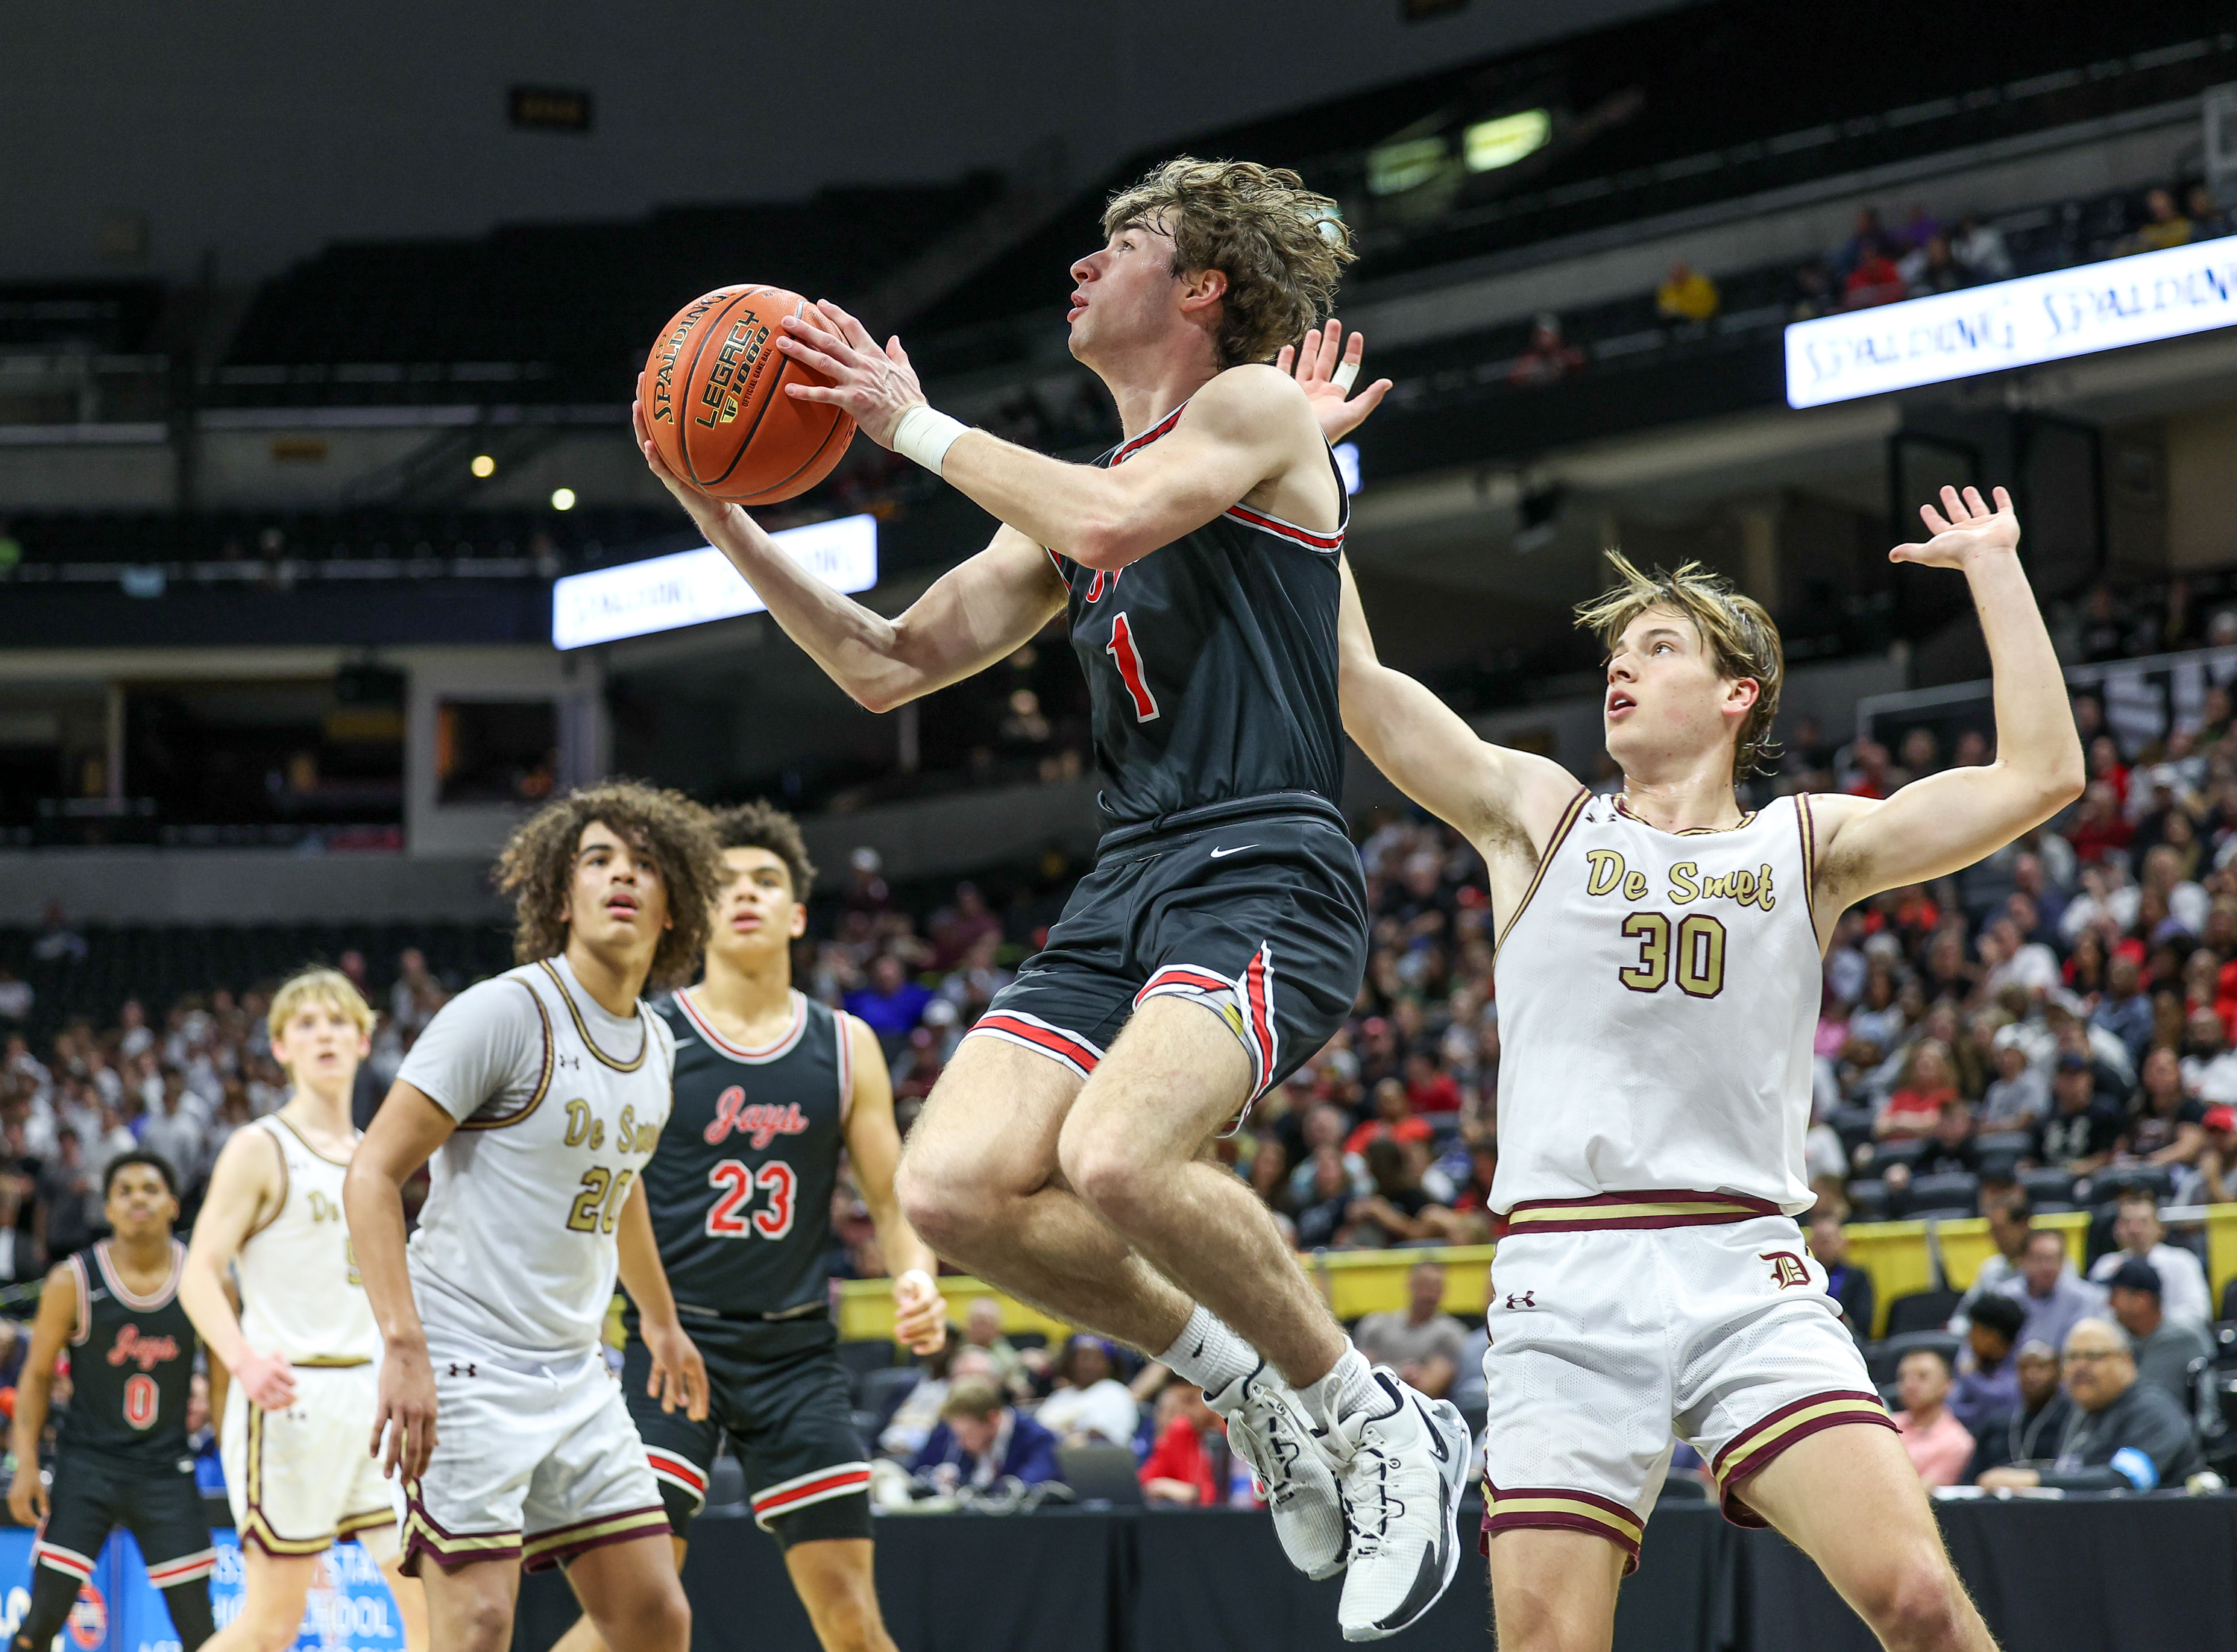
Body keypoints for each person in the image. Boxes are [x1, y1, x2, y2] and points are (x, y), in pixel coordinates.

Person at [634, 157, 1465, 1638]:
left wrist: (907, 422)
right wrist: (722, 516)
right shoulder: (1077, 497)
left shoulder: (1253, 414)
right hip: (1132, 873)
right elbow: (884, 660)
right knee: (954, 1189)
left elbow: (1104, 523)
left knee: (1119, 1158)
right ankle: (1251, 1390)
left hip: (1266, 857)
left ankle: (1386, 1422)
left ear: (1201, 286)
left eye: (1119, 243)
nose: (1080, 268)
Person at [1338, 466, 2080, 1649]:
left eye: (1658, 645)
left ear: (1740, 692)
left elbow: (2042, 777)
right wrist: (1298, 487)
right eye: (1616, 653)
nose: (1620, 668)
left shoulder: (1810, 841)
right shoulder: (1542, 815)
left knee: (1921, 1602)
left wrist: (1995, 571)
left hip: (1746, 1269)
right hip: (1566, 1277)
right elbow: (1363, 688)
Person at [548, 802, 944, 1652]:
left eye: (768, 881)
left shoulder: (845, 1044)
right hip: (668, 1345)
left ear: (798, 914)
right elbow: (604, 1192)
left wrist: (916, 1273)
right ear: (696, 910)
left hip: (795, 1353)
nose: (749, 895)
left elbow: (891, 1196)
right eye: (727, 883)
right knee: (635, 1618)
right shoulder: (649, 1033)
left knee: (852, 1619)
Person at [343, 783, 727, 1652]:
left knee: (653, 1617)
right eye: (599, 859)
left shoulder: (658, 1042)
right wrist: (404, 1345)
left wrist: (661, 1322)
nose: (621, 875)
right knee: (477, 1624)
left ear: (675, 908)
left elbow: (619, 1181)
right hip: (463, 1358)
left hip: (576, 1369)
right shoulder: (505, 1012)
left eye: (645, 864)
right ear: (563, 894)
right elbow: (371, 1172)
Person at [179, 969, 429, 1652]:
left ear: (364, 1038)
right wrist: (242, 1360)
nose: (325, 1034)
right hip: (291, 1395)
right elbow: (198, 1271)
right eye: (306, 1024)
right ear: (281, 1046)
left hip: (374, 1400)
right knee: (270, 1627)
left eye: (338, 1021)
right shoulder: (259, 1147)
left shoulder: (375, 1158)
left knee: (435, 1617)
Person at [6, 1155, 215, 1652]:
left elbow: (225, 1389)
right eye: (124, 1190)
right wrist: (27, 1464)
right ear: (109, 1208)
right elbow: (34, 1378)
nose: (137, 1197)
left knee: (203, 1634)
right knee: (40, 1625)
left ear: (171, 1205)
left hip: (166, 1470)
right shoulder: (72, 1281)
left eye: (149, 1187)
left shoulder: (203, 1281)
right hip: (87, 1467)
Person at [1978, 1319, 2203, 1492]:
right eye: (2072, 1357)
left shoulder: (2153, 1412)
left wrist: (2033, 1480)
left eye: (2093, 1356)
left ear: (2126, 1361)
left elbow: (2124, 1481)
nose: (2080, 1367)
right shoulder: (2081, 1413)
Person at [908, 1378, 1060, 1492]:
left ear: (992, 1419)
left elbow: (1023, 1490)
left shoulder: (1038, 1439)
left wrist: (966, 1490)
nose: (961, 1444)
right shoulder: (967, 1444)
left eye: (966, 1435)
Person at [2084, 1193, 2210, 1328]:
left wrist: (2149, 1325)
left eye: (2143, 1222)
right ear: (2116, 1230)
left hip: (2173, 1340)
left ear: (2160, 1228)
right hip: (2121, 1341)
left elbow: (2199, 1313)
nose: (2134, 1230)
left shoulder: (2182, 1261)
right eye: (2127, 1222)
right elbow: (2094, 1315)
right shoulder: (2105, 1266)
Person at [2103, 1258, 2212, 1410]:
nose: (2109, 1304)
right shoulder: (2112, 1339)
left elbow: (2209, 1399)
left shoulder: (2186, 1338)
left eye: (2115, 1295)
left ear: (2141, 1301)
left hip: (2176, 1429)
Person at [1353, 1261, 1465, 1399]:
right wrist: (1401, 1374)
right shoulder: (1375, 1325)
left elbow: (1430, 1386)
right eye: (1424, 1285)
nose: (1429, 1293)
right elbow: (1360, 1377)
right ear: (1410, 1284)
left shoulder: (1451, 1333)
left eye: (1436, 1287)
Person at [1966, 1340, 2069, 1481]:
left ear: (2058, 1372)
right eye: (2024, 1367)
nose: (2031, 1375)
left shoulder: (2072, 1418)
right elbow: (1971, 1478)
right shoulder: (1996, 1422)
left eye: (2041, 1367)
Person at [1995, 1229, 2104, 1358]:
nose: (2047, 1267)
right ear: (2024, 1260)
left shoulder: (2086, 1298)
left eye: (2054, 1259)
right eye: (2039, 1259)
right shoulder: (2004, 1298)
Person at [1036, 1335, 1142, 1446]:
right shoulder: (1060, 1395)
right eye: (1080, 1358)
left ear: (1109, 1364)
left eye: (1094, 1358)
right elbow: (1038, 1431)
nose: (1086, 1365)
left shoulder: (1115, 1392)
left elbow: (1107, 1437)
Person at [1948, 1195, 2033, 1333]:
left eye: (2000, 1230)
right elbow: (1962, 1318)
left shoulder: (2050, 1268)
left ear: (2023, 1225)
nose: (1994, 1238)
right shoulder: (1991, 1269)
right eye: (1992, 1231)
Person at [1892, 1349, 1974, 1489]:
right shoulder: (1886, 1424)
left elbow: (1924, 1491)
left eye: (1923, 1376)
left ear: (1947, 1385)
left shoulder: (1957, 1442)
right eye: (1903, 1377)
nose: (1910, 1384)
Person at [1945, 1293, 2024, 1434]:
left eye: (1975, 1329)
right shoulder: (1971, 1355)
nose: (1970, 1336)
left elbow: (2001, 1399)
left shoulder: (2024, 1362)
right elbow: (1950, 1406)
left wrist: (1971, 1377)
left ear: (1992, 1336)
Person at [1139, 1383, 1229, 1505]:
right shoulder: (1181, 1432)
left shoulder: (1235, 1432)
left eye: (1190, 1401)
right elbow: (1145, 1483)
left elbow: (1239, 1496)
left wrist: (1193, 1493)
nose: (1183, 1410)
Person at [1807, 1209, 1875, 1340]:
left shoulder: (1857, 1277)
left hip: (1848, 1336)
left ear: (1842, 1243)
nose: (1822, 1248)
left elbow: (1864, 1322)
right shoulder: (1805, 1277)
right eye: (1817, 1241)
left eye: (1827, 1242)